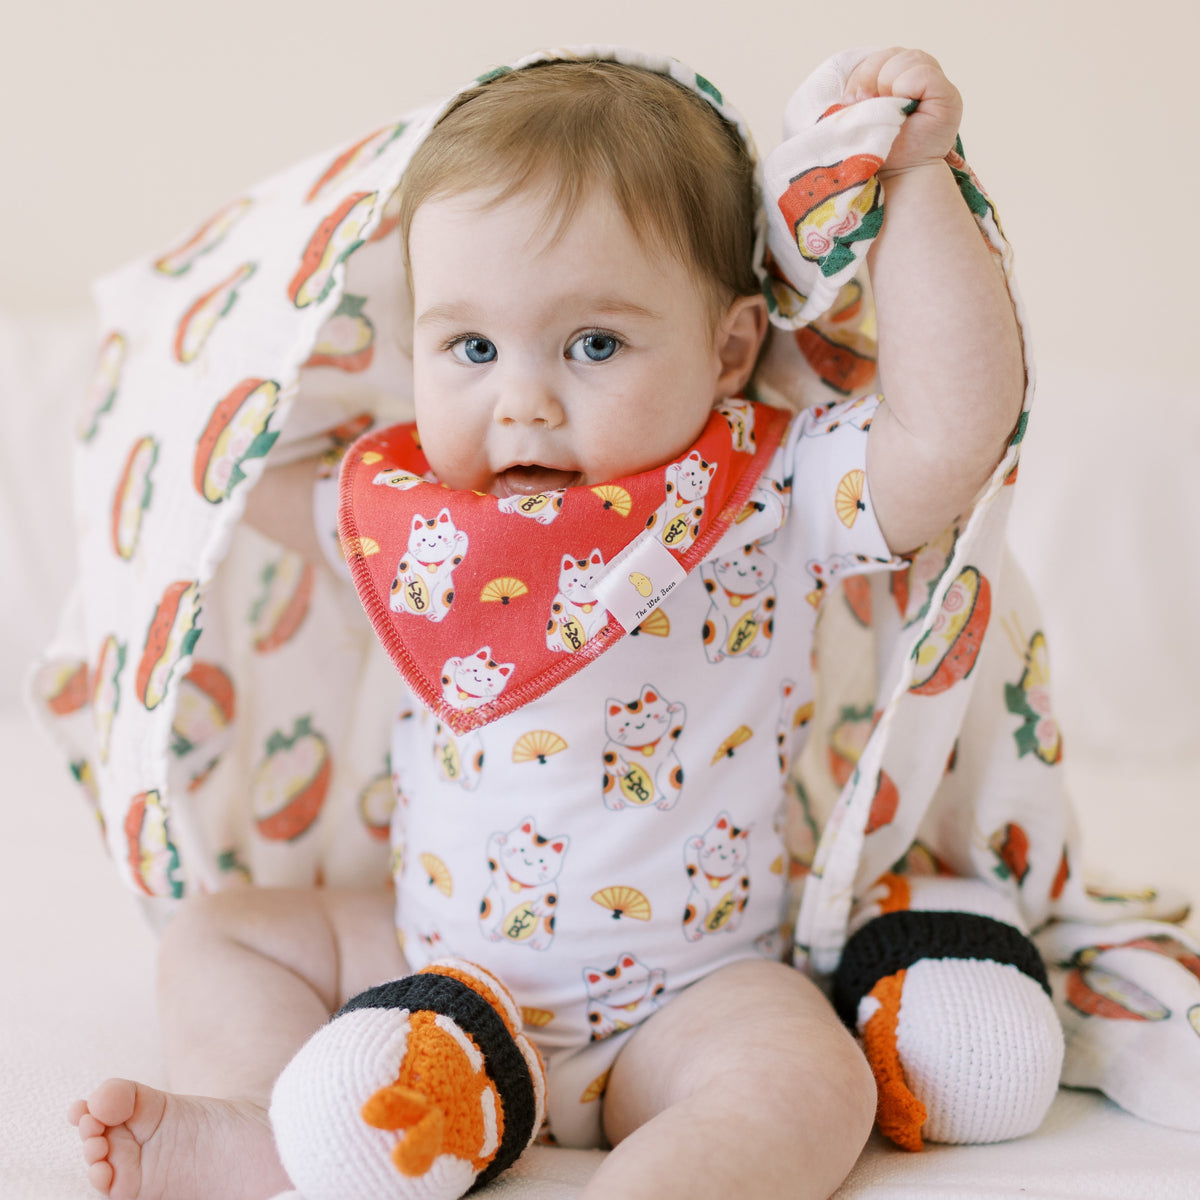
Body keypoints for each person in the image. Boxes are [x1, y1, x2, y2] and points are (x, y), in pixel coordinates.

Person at [68, 46, 1025, 1200]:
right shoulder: (415, 512)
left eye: (594, 345)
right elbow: (219, 485)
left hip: (686, 994)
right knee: (222, 934)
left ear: (729, 349)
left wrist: (914, 178)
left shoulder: (770, 490)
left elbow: (953, 430)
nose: (520, 398)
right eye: (470, 347)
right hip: (429, 963)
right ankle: (266, 1122)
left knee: (810, 1084)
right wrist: (165, 375)